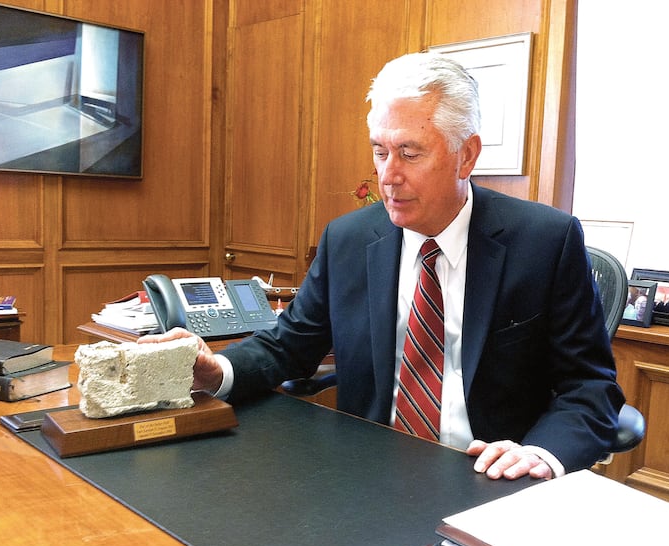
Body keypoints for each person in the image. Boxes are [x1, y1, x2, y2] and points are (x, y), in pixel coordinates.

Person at [140, 52, 624, 481]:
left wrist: (540, 454)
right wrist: (214, 369)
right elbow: (288, 345)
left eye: (410, 153)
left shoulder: (545, 241)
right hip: (367, 474)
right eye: (379, 151)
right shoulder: (349, 239)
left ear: (466, 156)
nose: (388, 176)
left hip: (490, 475)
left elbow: (590, 386)